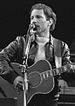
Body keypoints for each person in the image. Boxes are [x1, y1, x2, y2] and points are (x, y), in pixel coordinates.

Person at [0, 3, 71, 106]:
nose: (33, 20)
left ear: (49, 22)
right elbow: (1, 57)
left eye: (38, 17)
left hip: (49, 100)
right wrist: (14, 78)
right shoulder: (21, 42)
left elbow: (67, 73)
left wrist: (71, 70)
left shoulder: (61, 46)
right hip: (23, 96)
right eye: (32, 17)